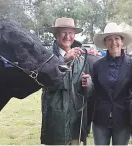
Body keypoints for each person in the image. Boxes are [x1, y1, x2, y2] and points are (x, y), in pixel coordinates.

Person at [40, 17, 93, 145]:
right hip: (56, 120)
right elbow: (46, 81)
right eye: (64, 32)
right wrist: (64, 60)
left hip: (76, 120)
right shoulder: (46, 56)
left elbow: (86, 90)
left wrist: (89, 84)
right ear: (56, 35)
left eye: (71, 33)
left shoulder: (80, 59)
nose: (67, 36)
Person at [88, 22, 132, 145]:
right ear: (105, 43)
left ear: (122, 41)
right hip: (101, 118)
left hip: (123, 119)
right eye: (109, 39)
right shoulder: (97, 65)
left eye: (116, 38)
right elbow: (94, 91)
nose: (113, 42)